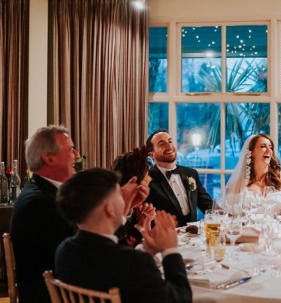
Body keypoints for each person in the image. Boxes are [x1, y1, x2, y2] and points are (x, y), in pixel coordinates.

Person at [10, 125, 148, 303]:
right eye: (71, 149)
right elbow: (94, 253)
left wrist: (124, 206)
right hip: (60, 295)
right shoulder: (41, 203)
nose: (77, 155)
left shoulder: (44, 191)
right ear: (49, 158)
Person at [55, 169, 192, 303]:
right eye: (119, 195)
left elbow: (108, 260)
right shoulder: (132, 262)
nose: (123, 199)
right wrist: (170, 250)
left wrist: (146, 251)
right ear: (109, 208)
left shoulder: (64, 250)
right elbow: (182, 298)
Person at [145, 129, 213, 226]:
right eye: (162, 144)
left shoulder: (191, 173)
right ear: (152, 154)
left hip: (193, 237)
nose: (169, 146)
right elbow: (148, 220)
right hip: (165, 238)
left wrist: (228, 215)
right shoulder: (147, 180)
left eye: (170, 141)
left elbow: (208, 205)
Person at [225, 134, 281, 213]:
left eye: (270, 147)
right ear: (252, 153)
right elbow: (230, 213)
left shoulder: (279, 176)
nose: (269, 151)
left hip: (277, 225)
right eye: (263, 146)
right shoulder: (240, 181)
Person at [111, 146, 156, 247]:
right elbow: (119, 248)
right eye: (146, 182)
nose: (148, 187)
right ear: (134, 182)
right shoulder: (108, 210)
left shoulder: (137, 209)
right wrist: (140, 225)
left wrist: (146, 221)